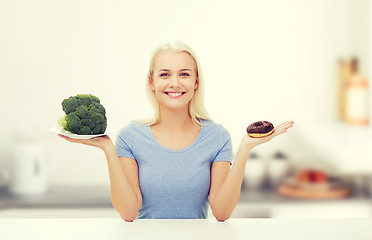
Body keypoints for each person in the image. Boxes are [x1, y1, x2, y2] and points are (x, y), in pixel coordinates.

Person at [59, 41, 294, 222]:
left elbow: (221, 212)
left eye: (184, 74)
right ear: (152, 82)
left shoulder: (217, 136)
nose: (174, 83)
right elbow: (129, 213)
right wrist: (109, 149)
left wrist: (244, 149)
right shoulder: (130, 136)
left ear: (196, 82)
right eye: (164, 74)